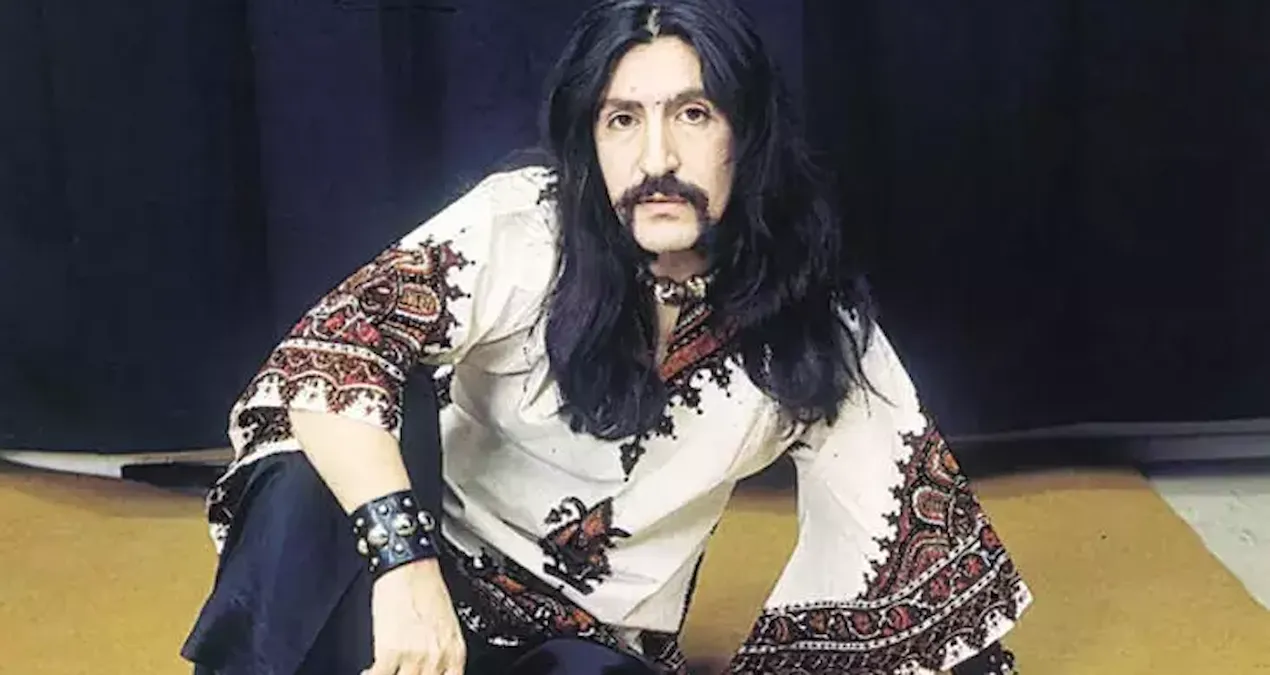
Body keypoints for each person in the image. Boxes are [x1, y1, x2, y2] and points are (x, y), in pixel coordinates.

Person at [182, 0, 1032, 673]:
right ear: (591, 138)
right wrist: (405, 564)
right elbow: (327, 361)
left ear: (748, 134)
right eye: (623, 119)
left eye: (693, 113)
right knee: (308, 470)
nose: (657, 158)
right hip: (409, 590)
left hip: (577, 646)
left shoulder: (812, 320)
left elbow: (912, 555)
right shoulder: (526, 225)